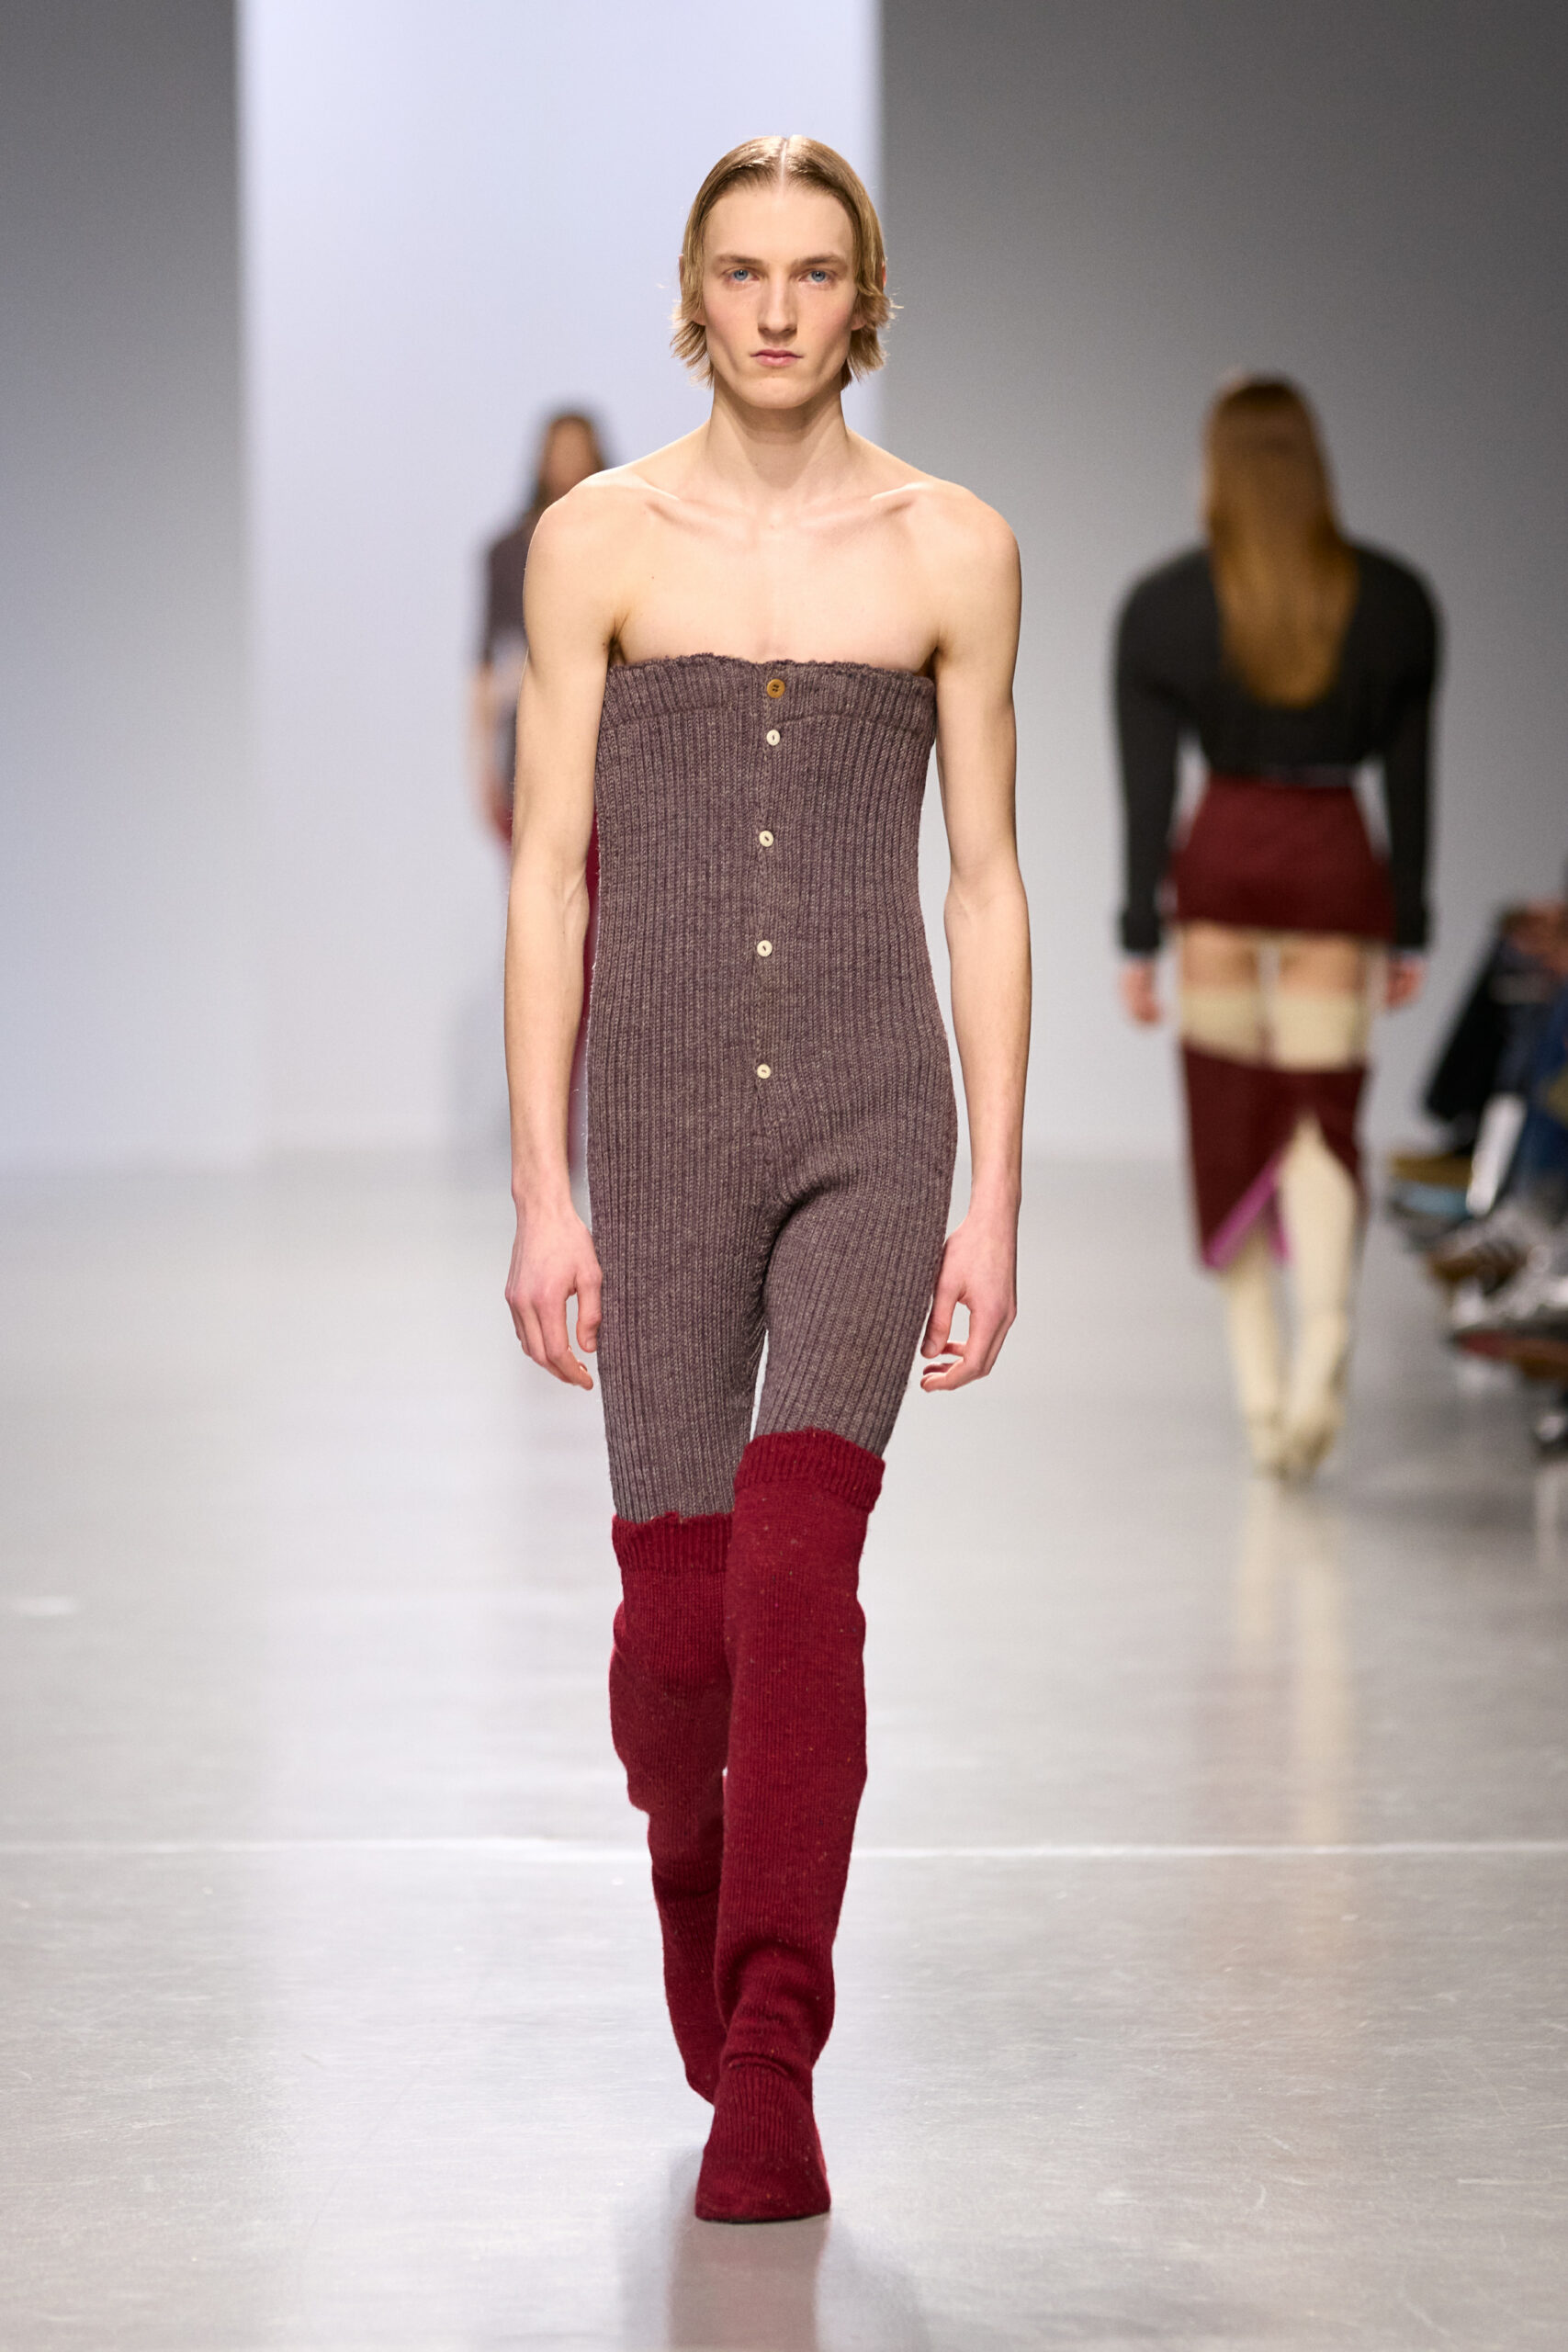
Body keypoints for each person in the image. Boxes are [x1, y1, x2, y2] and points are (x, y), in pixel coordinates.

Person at [502, 136, 1029, 2223]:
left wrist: (994, 1192)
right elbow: (548, 872)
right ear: (693, 296)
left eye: (815, 271)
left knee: (796, 1580)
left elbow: (983, 883)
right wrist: (540, 1188)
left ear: (861, 297)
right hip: (653, 1136)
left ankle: (769, 2052)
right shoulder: (595, 545)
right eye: (744, 271)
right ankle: (693, 1885)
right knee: (676, 1647)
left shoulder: (953, 547)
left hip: (872, 1120)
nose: (780, 308)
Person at [1114, 378, 1440, 1477]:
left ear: (1215, 467)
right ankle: (1326, 1343)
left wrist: (1137, 934)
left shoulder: (1164, 606)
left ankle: (1261, 1394)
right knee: (1317, 1118)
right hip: (1335, 865)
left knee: (1228, 1119)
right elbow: (1412, 775)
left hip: (1221, 867)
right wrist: (1410, 922)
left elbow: (1148, 787)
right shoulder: (1393, 601)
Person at [470, 411, 609, 848]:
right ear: (541, 460)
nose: (569, 462)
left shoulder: (622, 543)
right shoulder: (507, 552)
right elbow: (486, 662)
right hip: (529, 742)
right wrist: (482, 765)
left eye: (579, 451)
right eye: (559, 451)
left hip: (608, 748)